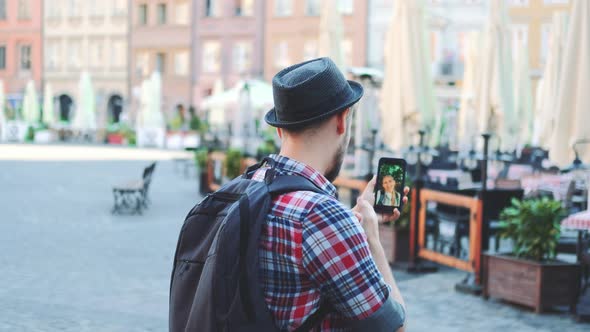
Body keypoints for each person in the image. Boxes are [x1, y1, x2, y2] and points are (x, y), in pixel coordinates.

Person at [253, 57, 408, 331]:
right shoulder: (321, 216)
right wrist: (370, 238)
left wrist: (353, 223)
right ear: (341, 121)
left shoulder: (251, 184)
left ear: (280, 130)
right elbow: (397, 328)